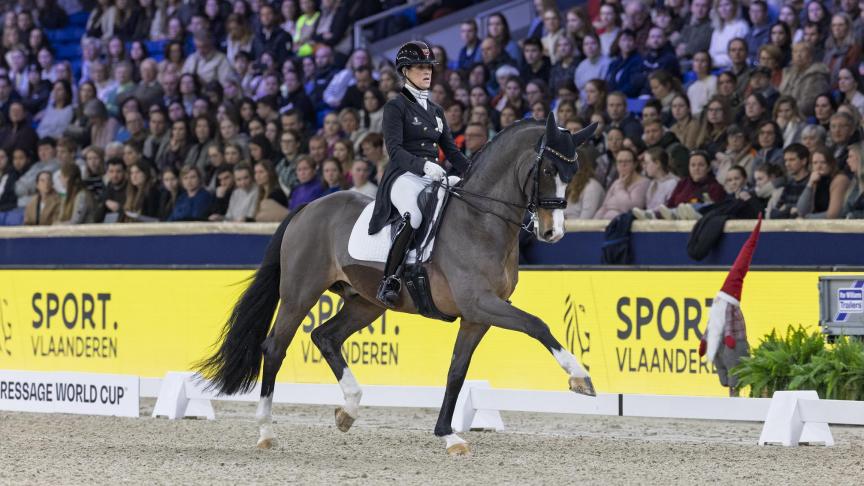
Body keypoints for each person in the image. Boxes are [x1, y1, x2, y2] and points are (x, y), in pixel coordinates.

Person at [370, 41, 471, 308]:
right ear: (405, 71)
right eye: (419, 67)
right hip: (403, 174)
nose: (426, 72)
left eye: (429, 67)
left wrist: (473, 173)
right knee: (413, 213)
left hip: (433, 174)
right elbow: (394, 149)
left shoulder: (436, 111)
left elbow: (451, 150)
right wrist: (423, 166)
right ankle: (390, 279)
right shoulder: (396, 106)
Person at [594, 148, 649, 219]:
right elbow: (604, 207)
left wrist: (620, 186)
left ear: (635, 164)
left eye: (627, 161)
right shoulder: (616, 182)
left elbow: (630, 208)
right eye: (620, 161)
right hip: (604, 224)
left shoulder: (643, 183)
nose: (623, 165)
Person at [796, 146, 851, 218]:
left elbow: (833, 214)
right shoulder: (816, 179)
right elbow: (801, 211)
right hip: (816, 223)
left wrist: (807, 219)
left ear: (831, 163)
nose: (819, 166)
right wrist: (810, 184)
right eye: (815, 163)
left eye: (823, 162)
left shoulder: (840, 179)